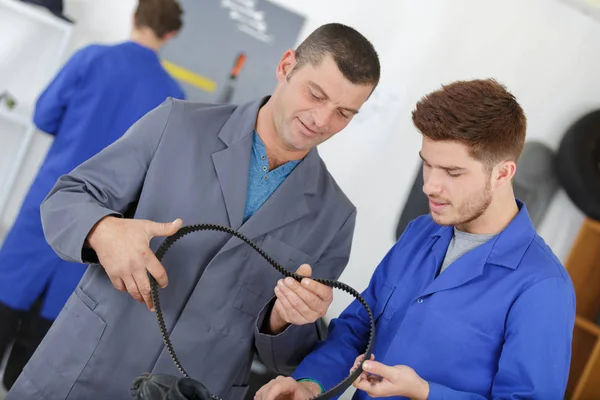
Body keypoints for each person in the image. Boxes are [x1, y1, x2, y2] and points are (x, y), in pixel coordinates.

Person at [6, 23, 381, 400]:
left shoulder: (335, 218)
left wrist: (285, 319)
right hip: (84, 368)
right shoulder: (176, 123)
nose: (321, 120)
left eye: (343, 113)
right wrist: (102, 230)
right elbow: (68, 196)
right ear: (286, 67)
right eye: (315, 95)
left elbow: (291, 358)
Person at [255, 79, 576, 400]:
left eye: (452, 172)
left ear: (503, 174)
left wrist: (425, 393)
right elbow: (357, 330)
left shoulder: (543, 287)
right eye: (427, 165)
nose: (430, 186)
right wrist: (310, 387)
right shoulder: (422, 232)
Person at [0, 0, 185, 391]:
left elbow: (44, 116)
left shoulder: (91, 59)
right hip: (102, 234)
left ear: (134, 16)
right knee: (43, 350)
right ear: (172, 34)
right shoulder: (174, 99)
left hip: (50, 207)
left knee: (4, 297)